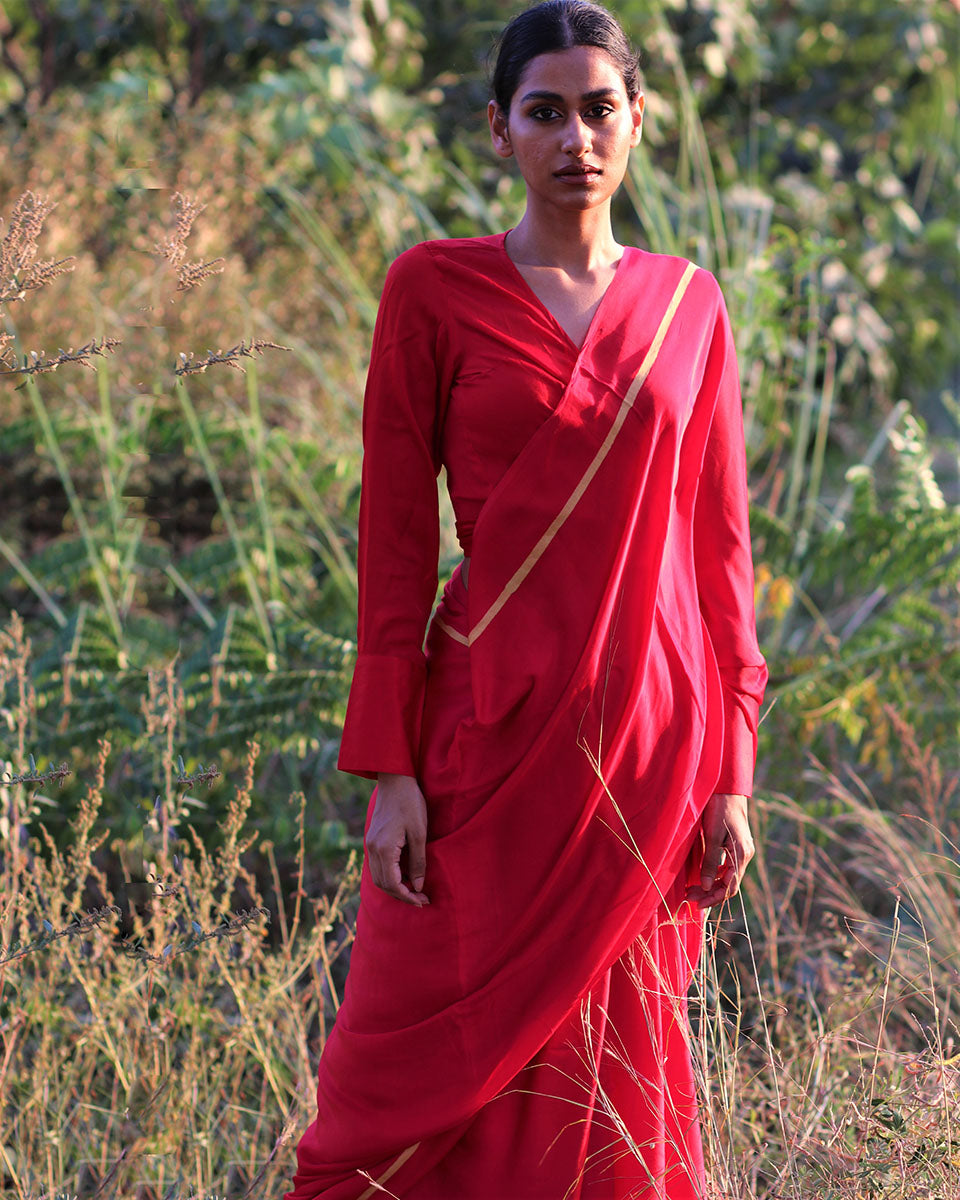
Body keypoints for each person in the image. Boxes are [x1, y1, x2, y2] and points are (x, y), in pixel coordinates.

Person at [285, 1, 768, 1196]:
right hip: (477, 746)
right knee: (388, 1099)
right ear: (498, 130)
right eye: (545, 112)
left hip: (646, 756)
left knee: (611, 1086)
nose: (576, 139)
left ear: (637, 122)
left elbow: (722, 559)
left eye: (599, 110)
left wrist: (733, 770)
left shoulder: (687, 307)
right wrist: (390, 767)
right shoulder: (433, 292)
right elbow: (392, 545)